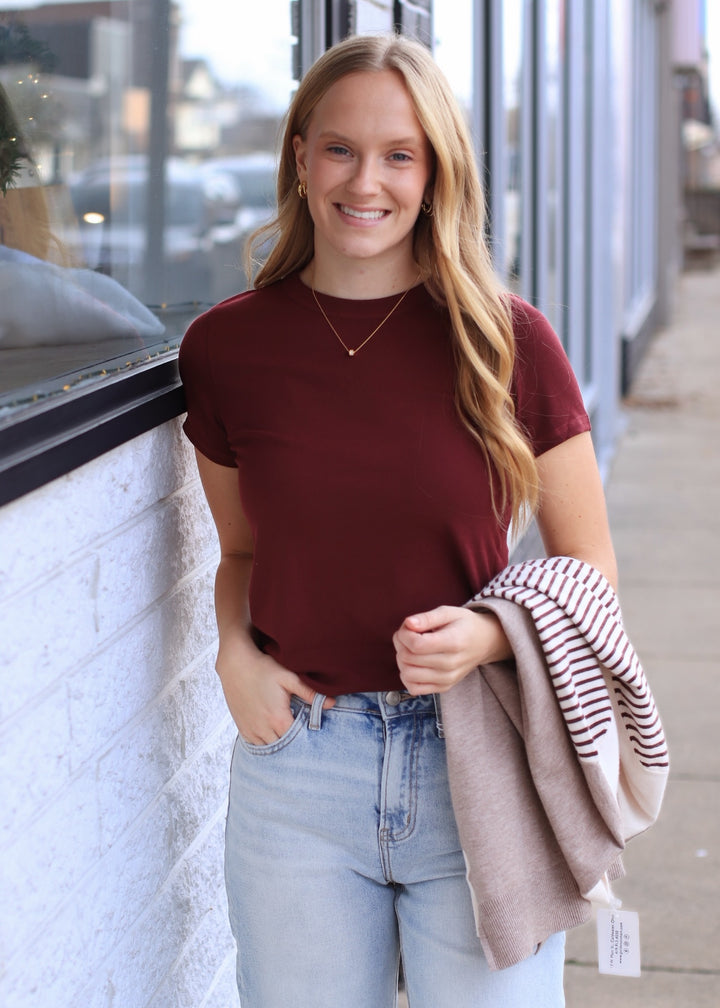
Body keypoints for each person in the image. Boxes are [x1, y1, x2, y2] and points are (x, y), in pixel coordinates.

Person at [179, 32, 618, 1008]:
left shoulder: (506, 340)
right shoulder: (226, 347)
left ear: (436, 170)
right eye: (339, 148)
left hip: (480, 763)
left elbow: (589, 563)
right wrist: (232, 654)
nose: (364, 180)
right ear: (299, 156)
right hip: (302, 766)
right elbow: (242, 550)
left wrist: (488, 632)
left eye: (398, 154)